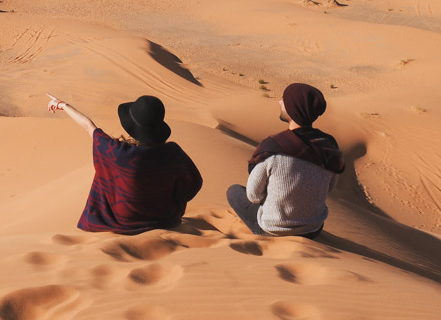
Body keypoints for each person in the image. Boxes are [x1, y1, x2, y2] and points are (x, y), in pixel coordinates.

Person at [47, 92, 203, 234]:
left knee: (106, 171)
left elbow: (89, 127)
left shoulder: (117, 152)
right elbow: (194, 183)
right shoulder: (172, 152)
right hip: (165, 219)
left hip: (122, 221)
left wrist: (63, 105)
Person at [226, 83, 344, 237]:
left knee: (233, 191)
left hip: (273, 229)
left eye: (284, 100)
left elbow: (253, 196)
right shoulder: (329, 147)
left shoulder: (274, 147)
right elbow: (329, 188)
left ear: (293, 108)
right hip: (313, 230)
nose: (280, 102)